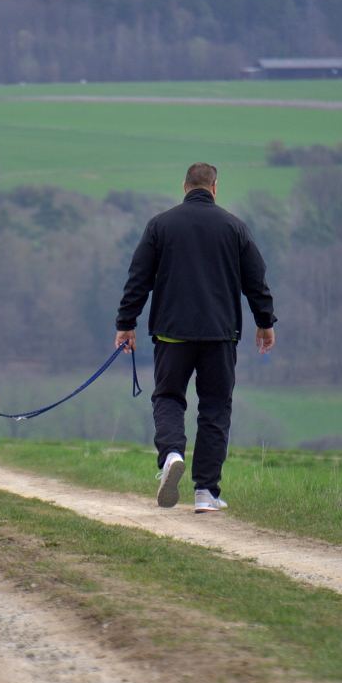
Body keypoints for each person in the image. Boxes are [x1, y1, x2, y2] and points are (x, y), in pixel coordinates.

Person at [115, 162, 276, 513]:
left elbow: (138, 278)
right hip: (220, 335)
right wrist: (265, 321)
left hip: (172, 334)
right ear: (215, 188)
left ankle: (172, 454)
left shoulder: (160, 225)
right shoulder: (234, 227)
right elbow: (256, 280)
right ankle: (205, 492)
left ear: (184, 186)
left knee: (169, 398)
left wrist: (126, 322)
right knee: (215, 407)